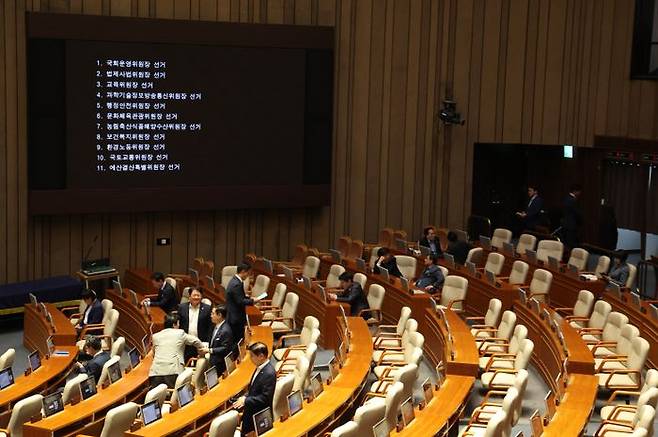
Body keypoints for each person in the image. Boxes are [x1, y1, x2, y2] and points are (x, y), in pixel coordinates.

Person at [149, 313, 206, 388]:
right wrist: (201, 351)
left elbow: (153, 354)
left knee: (157, 396)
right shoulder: (180, 333)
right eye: (178, 324)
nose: (179, 326)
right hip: (173, 372)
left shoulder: (156, 336)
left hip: (155, 373)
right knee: (175, 397)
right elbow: (196, 341)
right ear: (174, 324)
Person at [233, 342, 276, 437]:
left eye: (252, 356)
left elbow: (265, 399)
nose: (250, 359)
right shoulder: (260, 368)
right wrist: (244, 396)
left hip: (257, 416)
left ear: (261, 356)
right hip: (251, 412)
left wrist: (246, 400)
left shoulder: (269, 373)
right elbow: (253, 388)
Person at [178, 288, 213, 363]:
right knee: (186, 363)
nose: (196, 297)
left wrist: (207, 342)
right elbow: (179, 325)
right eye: (194, 295)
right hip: (186, 342)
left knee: (200, 364)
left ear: (201, 297)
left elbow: (210, 327)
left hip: (200, 343)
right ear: (189, 296)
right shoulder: (182, 308)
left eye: (198, 295)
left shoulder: (207, 309)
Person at [225, 263, 254, 353]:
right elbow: (240, 301)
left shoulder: (234, 280)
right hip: (236, 318)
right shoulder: (237, 284)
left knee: (236, 340)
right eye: (248, 273)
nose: (248, 276)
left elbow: (239, 297)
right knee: (237, 341)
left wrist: (248, 298)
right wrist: (253, 301)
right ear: (243, 272)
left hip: (233, 315)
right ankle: (235, 360)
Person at [208, 305, 233, 374]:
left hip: (220, 363)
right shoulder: (216, 325)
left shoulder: (225, 330)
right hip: (213, 360)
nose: (211, 315)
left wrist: (210, 350)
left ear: (219, 315)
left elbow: (225, 348)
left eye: (213, 314)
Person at [561, 184, 583, 250]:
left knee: (565, 244)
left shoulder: (566, 198)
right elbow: (577, 213)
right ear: (575, 191)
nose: (580, 193)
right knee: (571, 245)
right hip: (571, 226)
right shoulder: (573, 200)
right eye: (579, 192)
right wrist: (581, 221)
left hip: (565, 224)